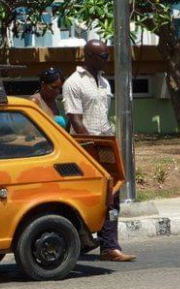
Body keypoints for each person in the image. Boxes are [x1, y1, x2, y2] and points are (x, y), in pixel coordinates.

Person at [63, 39, 136, 262]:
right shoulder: (73, 83)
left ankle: (109, 247)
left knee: (112, 195)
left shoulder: (104, 83)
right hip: (86, 149)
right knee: (87, 197)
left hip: (105, 145)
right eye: (104, 56)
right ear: (89, 56)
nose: (108, 60)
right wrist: (92, 149)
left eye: (108, 55)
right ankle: (82, 242)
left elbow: (103, 117)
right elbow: (75, 119)